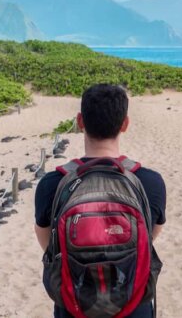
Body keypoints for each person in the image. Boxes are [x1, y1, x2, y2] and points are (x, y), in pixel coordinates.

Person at [34, 84, 166, 318]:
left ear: (80, 121)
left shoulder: (52, 183)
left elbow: (49, 246)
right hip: (134, 305)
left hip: (73, 305)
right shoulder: (151, 183)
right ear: (125, 124)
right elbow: (149, 236)